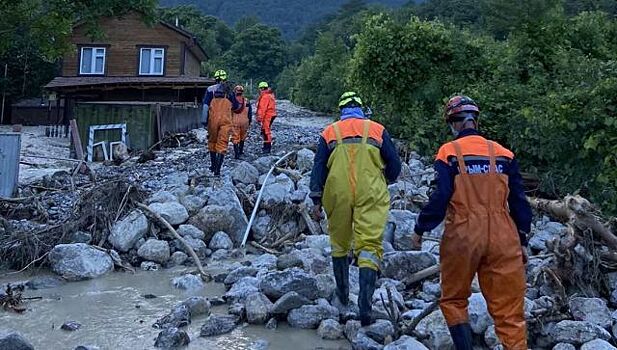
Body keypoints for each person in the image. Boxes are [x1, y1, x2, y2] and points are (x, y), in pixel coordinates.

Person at [412, 95, 532, 349]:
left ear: (452, 123)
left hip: (463, 235)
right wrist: (522, 239)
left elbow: (440, 196)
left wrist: (421, 227)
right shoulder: (503, 154)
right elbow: (520, 202)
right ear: (475, 121)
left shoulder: (449, 153)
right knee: (510, 314)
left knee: (454, 299)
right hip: (504, 236)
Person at [309, 91, 401, 326]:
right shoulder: (377, 129)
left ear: (341, 110)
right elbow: (395, 164)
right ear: (361, 109)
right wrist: (386, 179)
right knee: (369, 246)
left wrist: (316, 200)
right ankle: (365, 310)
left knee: (339, 244)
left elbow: (318, 167)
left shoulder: (330, 131)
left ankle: (342, 296)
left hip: (337, 193)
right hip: (370, 191)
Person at [202, 69, 241, 175]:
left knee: (212, 142)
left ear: (215, 79)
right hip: (225, 121)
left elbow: (205, 106)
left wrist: (204, 121)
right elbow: (237, 106)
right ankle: (217, 171)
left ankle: (213, 165)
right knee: (222, 144)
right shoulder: (229, 91)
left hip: (212, 121)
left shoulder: (210, 90)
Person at [255, 81, 277, 154]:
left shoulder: (265, 97)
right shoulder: (270, 95)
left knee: (266, 131)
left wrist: (259, 118)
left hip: (268, 115)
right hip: (271, 114)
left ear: (261, 88)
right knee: (265, 131)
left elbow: (262, 109)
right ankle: (266, 146)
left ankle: (267, 148)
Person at [231, 85, 252, 159]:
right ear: (242, 92)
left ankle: (237, 155)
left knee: (235, 138)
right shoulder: (246, 101)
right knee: (243, 137)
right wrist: (249, 122)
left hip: (235, 121)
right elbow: (250, 113)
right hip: (245, 122)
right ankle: (241, 151)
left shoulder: (232, 101)